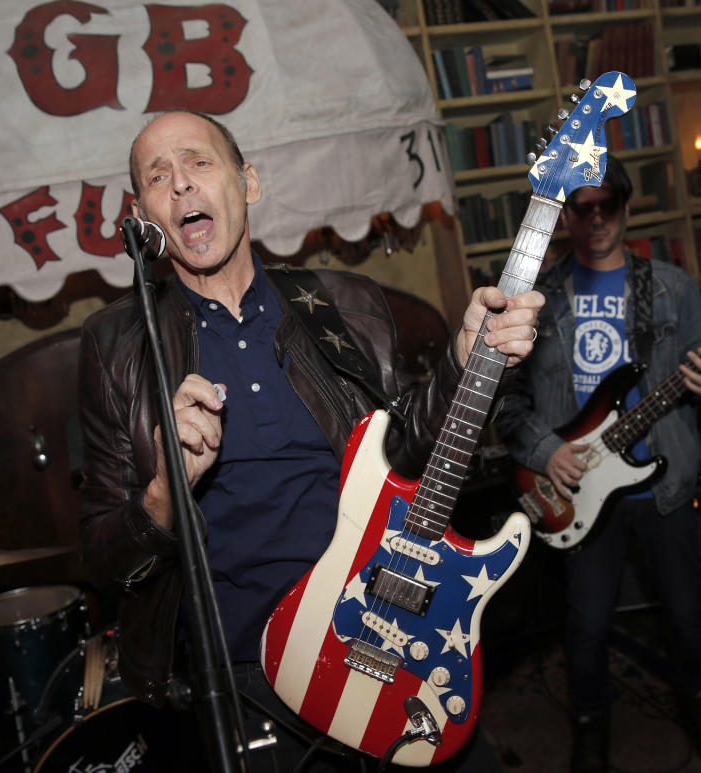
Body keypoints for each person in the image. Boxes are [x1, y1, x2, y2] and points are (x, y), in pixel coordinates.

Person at [77, 109, 543, 772]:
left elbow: (410, 450)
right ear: (144, 214)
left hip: (389, 623)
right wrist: (162, 496)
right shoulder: (118, 347)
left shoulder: (342, 304)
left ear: (249, 184)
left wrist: (466, 364)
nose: (180, 185)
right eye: (158, 177)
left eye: (198, 162)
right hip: (255, 679)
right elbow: (101, 558)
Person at [492, 153, 701, 773]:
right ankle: (590, 726)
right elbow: (505, 402)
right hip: (577, 492)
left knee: (690, 619)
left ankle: (694, 701)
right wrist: (545, 450)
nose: (598, 220)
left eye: (609, 205)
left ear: (627, 208)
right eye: (583, 209)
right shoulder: (537, 301)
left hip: (663, 486)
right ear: (566, 220)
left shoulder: (674, 288)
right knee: (586, 629)